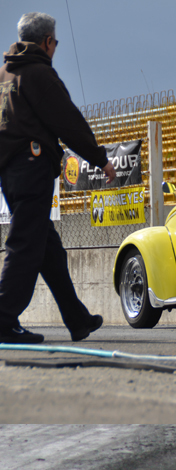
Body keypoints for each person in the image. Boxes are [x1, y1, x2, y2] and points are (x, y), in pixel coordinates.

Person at [0, 12, 116, 344]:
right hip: (32, 168)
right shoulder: (38, 74)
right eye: (55, 42)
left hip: (10, 173)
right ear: (48, 41)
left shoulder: (5, 75)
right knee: (25, 246)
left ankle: (77, 320)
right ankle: (3, 317)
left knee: (48, 248)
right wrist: (100, 159)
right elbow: (68, 121)